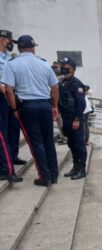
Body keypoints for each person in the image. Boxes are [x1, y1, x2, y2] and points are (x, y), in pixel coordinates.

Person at [3, 35, 59, 186]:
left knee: (36, 142)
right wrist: (54, 106)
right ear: (33, 47)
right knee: (48, 141)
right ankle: (53, 175)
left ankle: (44, 176)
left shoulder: (12, 64)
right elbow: (54, 87)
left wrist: (14, 108)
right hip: (45, 106)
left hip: (27, 107)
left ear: (19, 48)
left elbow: (8, 89)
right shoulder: (44, 64)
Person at [58, 57, 87, 180]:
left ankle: (81, 169)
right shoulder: (63, 83)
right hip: (66, 119)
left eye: (67, 67)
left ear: (73, 69)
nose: (64, 69)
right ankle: (75, 167)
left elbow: (81, 104)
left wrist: (77, 119)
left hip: (74, 119)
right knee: (71, 144)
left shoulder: (76, 84)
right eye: (63, 67)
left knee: (79, 145)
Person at [0, 30, 23, 182]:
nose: (11, 43)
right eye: (9, 41)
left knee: (13, 127)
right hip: (1, 95)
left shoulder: (8, 57)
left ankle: (13, 155)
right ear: (2, 40)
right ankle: (6, 169)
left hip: (10, 95)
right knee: (2, 133)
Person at [51, 61, 67, 145]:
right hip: (53, 104)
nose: (54, 69)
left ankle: (65, 137)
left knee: (61, 121)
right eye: (53, 68)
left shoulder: (63, 79)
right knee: (56, 121)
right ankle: (63, 136)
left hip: (60, 104)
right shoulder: (52, 78)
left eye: (56, 67)